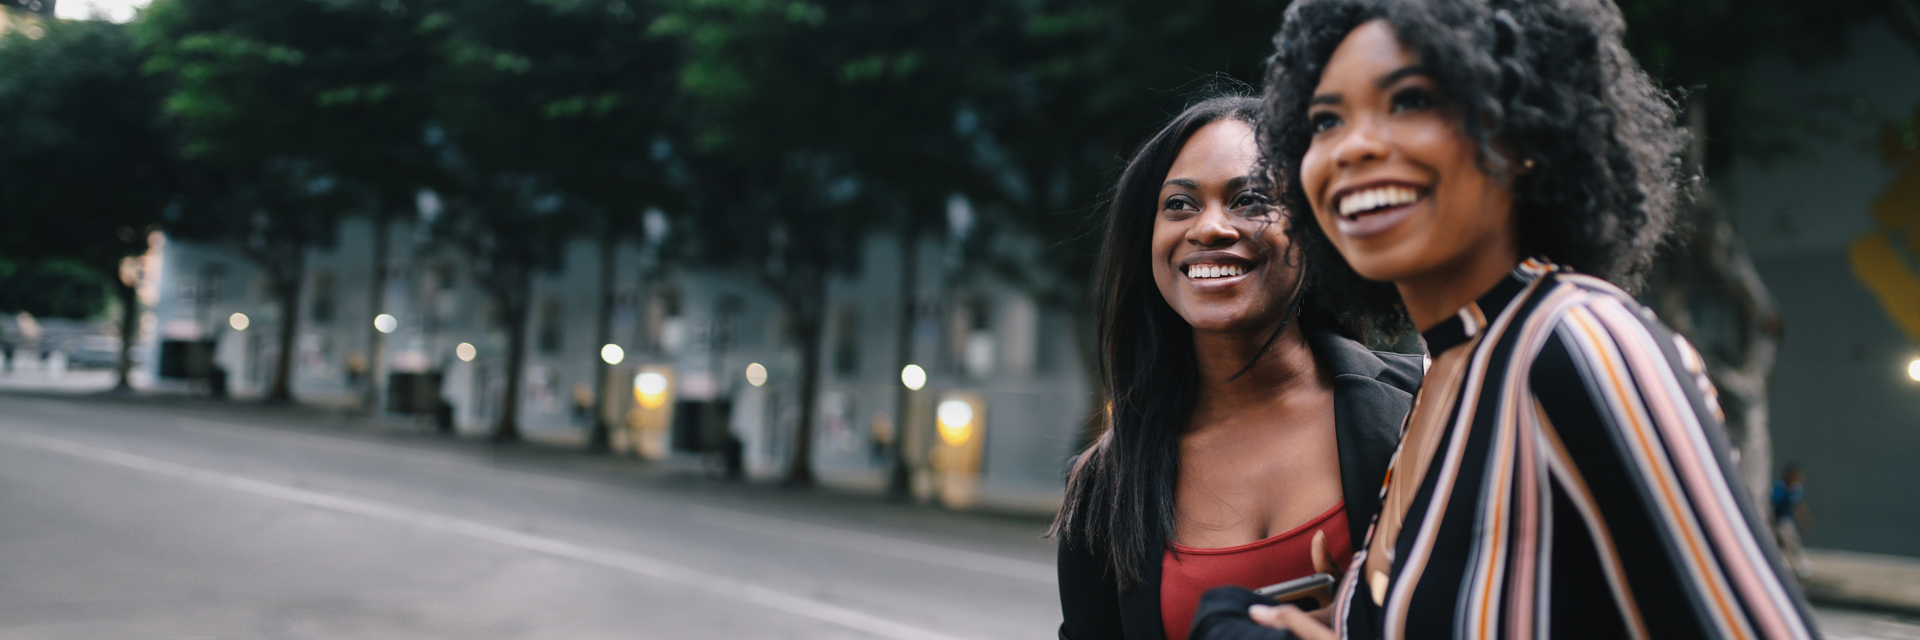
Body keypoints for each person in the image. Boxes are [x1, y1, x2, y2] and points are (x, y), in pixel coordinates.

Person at [1191, 1, 1820, 638]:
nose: (1353, 146)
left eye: (1409, 101)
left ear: (1522, 132)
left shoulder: (1576, 340)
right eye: (1325, 120)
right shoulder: (1447, 369)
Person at [1053, 95, 1422, 640]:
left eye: (1250, 199)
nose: (1210, 228)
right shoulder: (1105, 486)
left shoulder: (1430, 409)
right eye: (1179, 204)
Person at [1772, 464, 1814, 580]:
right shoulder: (1780, 487)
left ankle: (1802, 569)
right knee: (1780, 545)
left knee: (1793, 544)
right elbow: (1773, 502)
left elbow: (1798, 505)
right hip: (1777, 520)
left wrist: (1805, 519)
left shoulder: (1796, 489)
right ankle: (1783, 568)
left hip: (1786, 521)